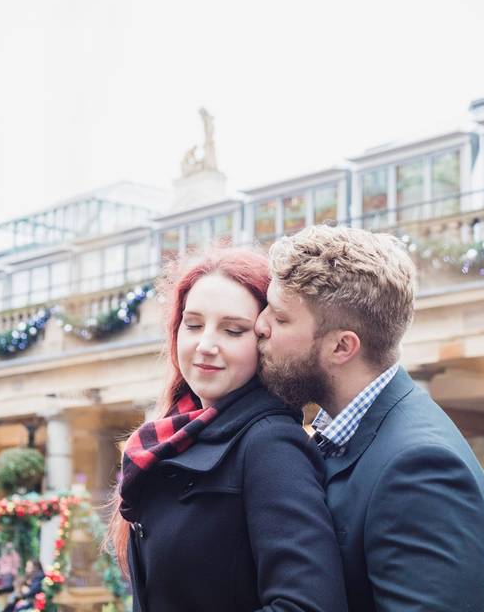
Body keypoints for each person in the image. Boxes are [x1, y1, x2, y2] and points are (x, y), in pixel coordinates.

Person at [255, 225, 484, 612]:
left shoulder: (420, 469)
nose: (260, 325)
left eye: (282, 318)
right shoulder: (346, 435)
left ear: (342, 346)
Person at [108, 246, 347, 612]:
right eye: (193, 325)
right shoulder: (174, 433)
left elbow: (307, 605)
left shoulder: (269, 443)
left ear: (266, 340)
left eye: (233, 330)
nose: (205, 345)